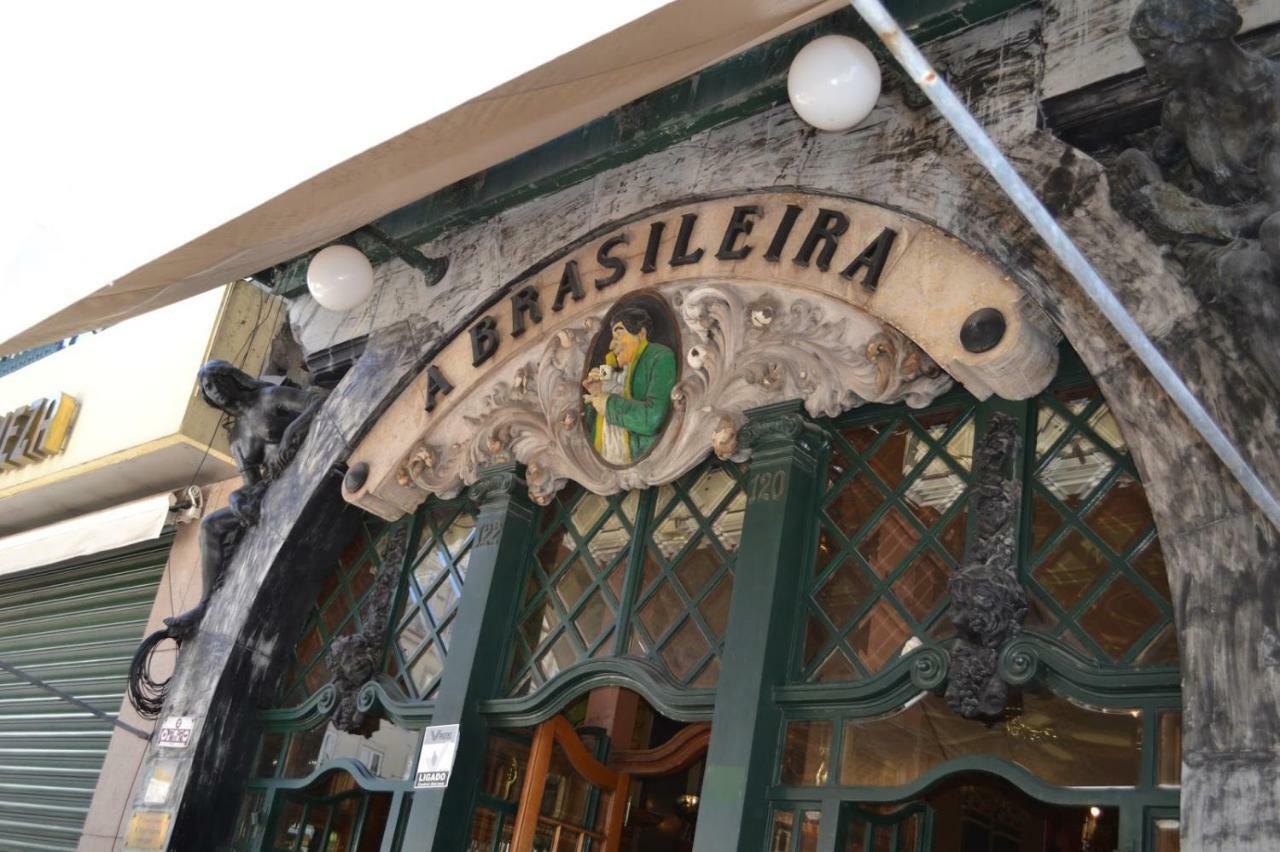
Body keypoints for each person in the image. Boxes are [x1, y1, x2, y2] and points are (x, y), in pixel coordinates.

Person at [582, 306, 678, 464]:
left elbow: (651, 419)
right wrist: (596, 392)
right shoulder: (616, 374)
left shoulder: (659, 357)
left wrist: (607, 403)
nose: (612, 345)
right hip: (607, 471)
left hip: (651, 461)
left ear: (641, 333)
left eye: (619, 334)